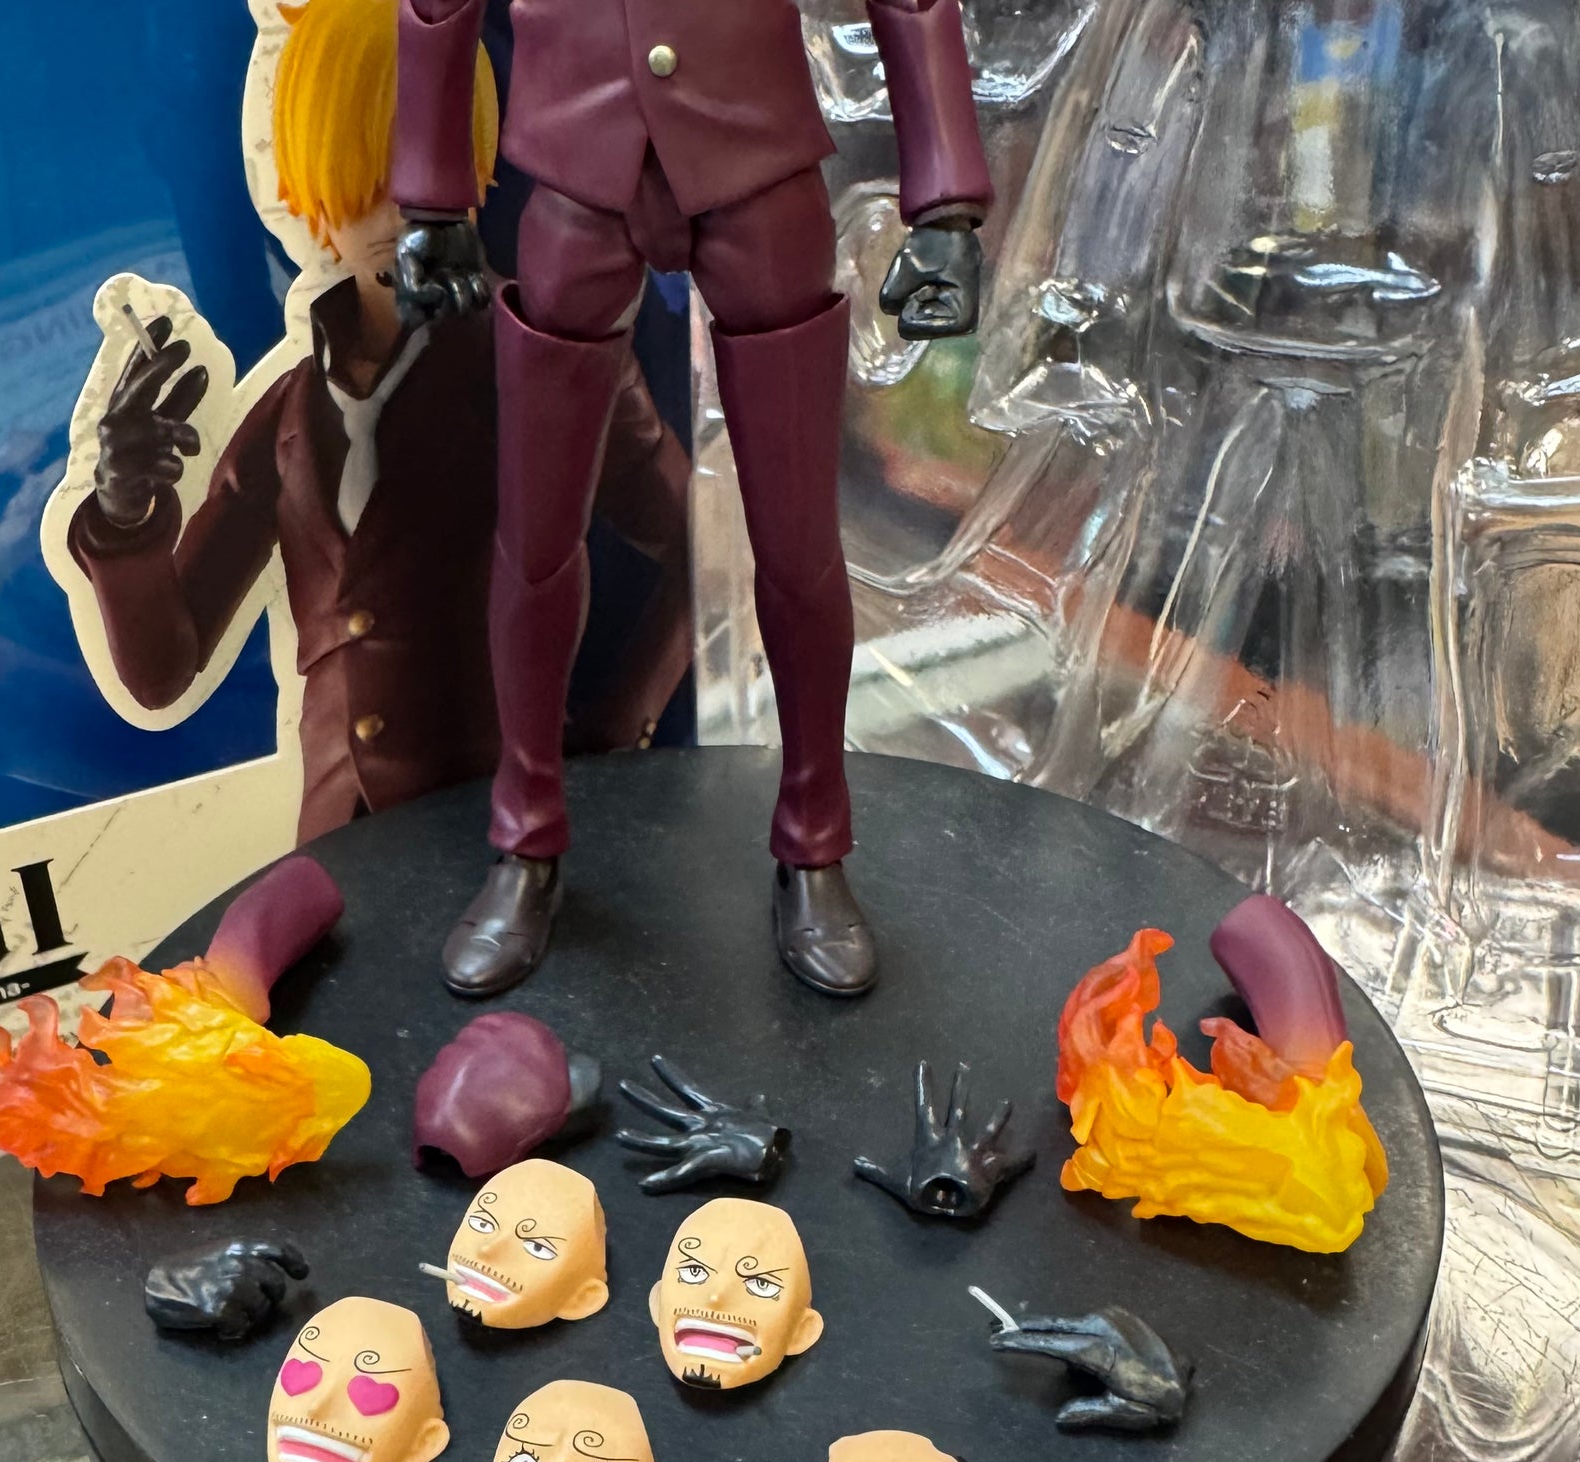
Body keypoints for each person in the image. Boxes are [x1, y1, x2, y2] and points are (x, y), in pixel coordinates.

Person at [390, 0, 993, 996]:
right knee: (535, 537)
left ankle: (814, 841)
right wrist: (430, 194)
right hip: (578, 170)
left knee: (798, 546)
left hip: (754, 162)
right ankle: (524, 836)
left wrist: (946, 201)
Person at [65, 0, 690, 846]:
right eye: (364, 186)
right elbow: (164, 668)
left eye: (429, 182)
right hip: (340, 851)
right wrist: (124, 517)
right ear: (309, 193)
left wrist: (620, 730)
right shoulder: (291, 413)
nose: (399, 221)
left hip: (503, 834)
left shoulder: (546, 361)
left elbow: (705, 546)